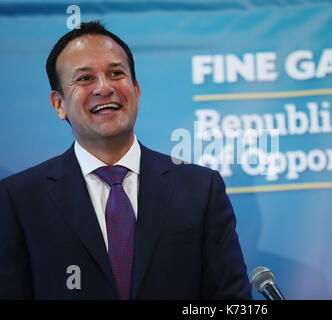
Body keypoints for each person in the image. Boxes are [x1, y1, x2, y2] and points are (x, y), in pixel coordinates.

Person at [0, 21, 252, 300]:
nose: (104, 88)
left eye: (116, 73)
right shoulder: (19, 200)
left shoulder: (200, 189)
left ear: (137, 90)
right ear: (59, 104)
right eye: (85, 78)